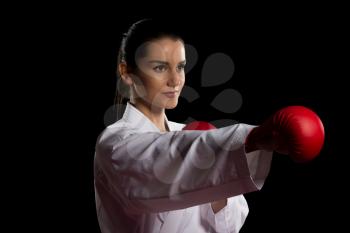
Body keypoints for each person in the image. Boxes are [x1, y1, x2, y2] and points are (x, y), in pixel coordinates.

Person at [94, 19, 323, 233]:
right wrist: (254, 139)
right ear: (126, 73)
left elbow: (231, 225)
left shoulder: (192, 138)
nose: (175, 80)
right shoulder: (115, 144)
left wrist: (217, 186)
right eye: (160, 68)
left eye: (180, 66)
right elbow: (160, 161)